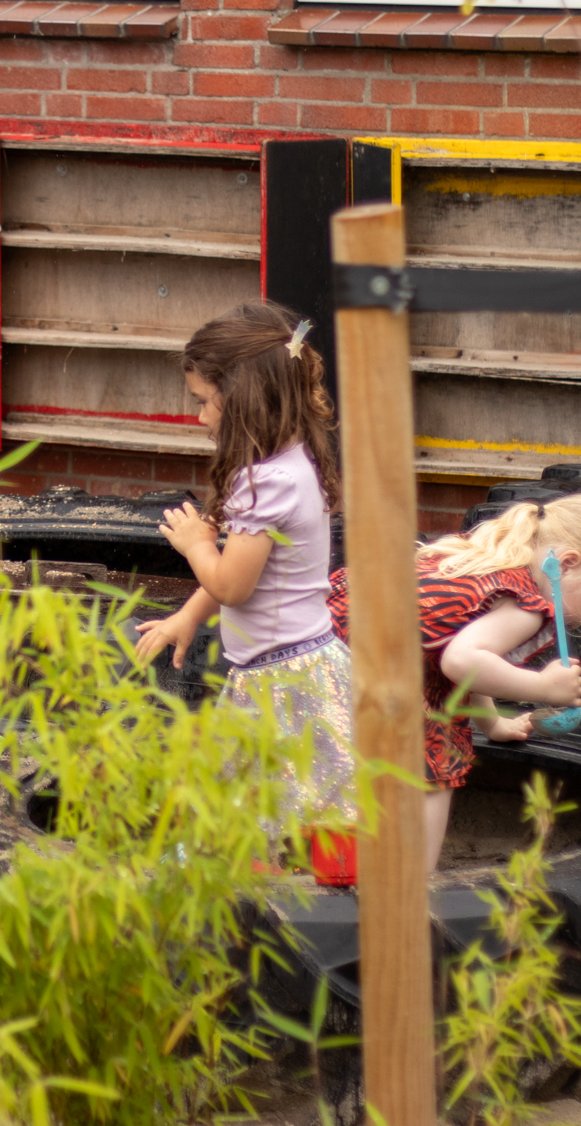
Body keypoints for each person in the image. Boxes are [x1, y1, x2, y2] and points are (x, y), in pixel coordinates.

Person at [138, 302, 357, 861]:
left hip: (281, 684)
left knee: (249, 826)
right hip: (298, 665)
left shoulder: (266, 485)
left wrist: (194, 545)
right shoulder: (293, 461)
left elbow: (233, 585)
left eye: (204, 402)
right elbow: (251, 578)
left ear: (243, 399)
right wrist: (187, 617)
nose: (200, 417)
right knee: (271, 816)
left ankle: (257, 916)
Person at [326, 493, 581, 872]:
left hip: (329, 663)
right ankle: (416, 880)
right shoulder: (526, 605)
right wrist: (543, 688)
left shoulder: (480, 563)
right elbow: (461, 661)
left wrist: (493, 724)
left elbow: (467, 662)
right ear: (568, 565)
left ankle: (340, 866)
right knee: (437, 755)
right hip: (375, 676)